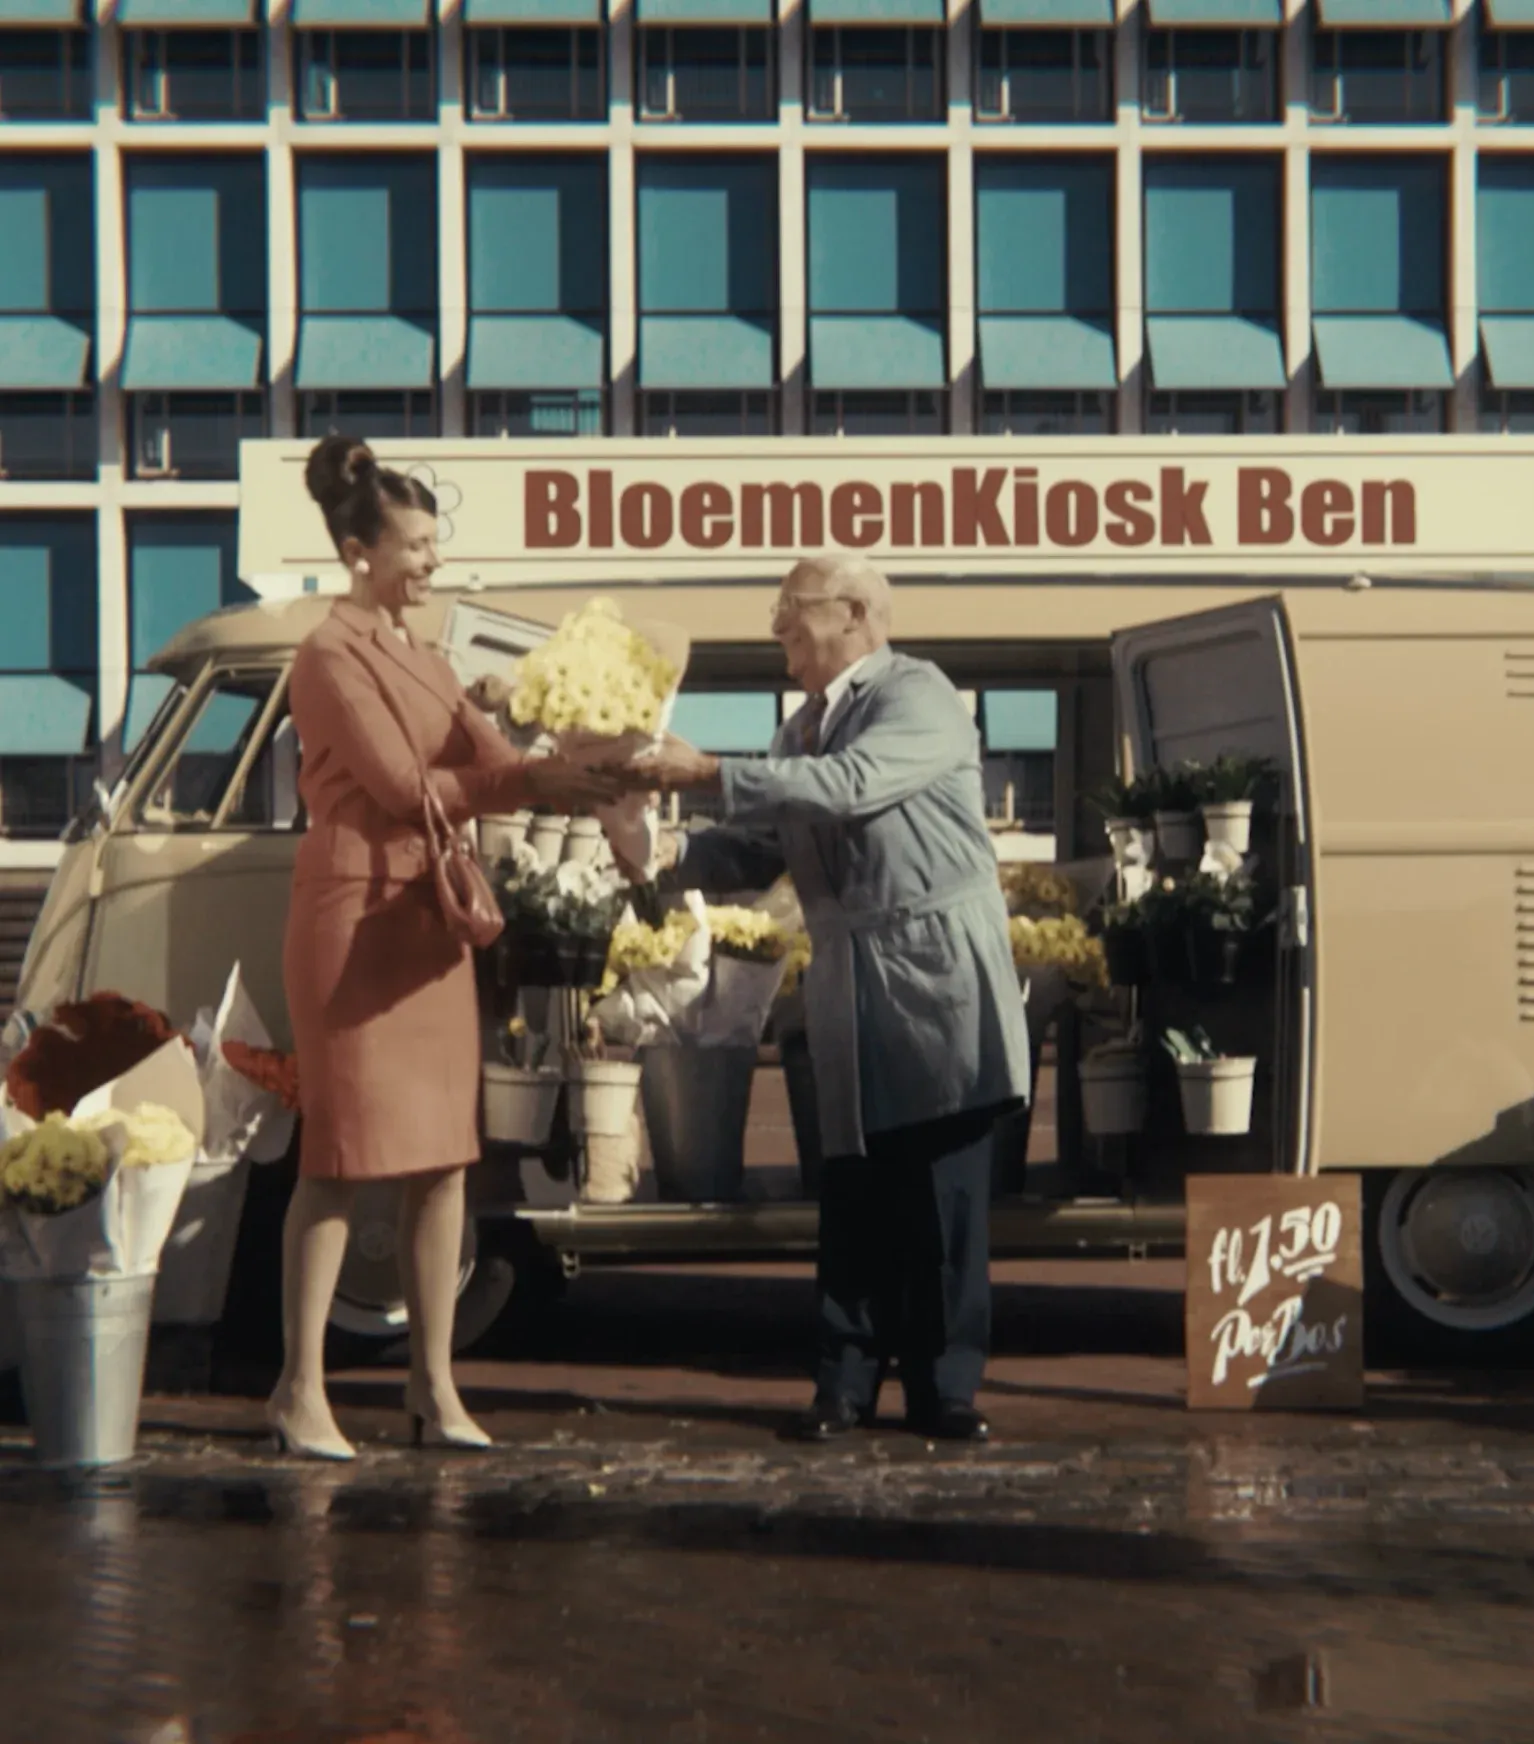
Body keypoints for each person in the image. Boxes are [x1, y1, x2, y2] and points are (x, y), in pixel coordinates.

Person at [622, 553, 1030, 1444]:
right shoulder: (797, 730)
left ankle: (945, 1389)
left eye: (788, 609)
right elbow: (758, 849)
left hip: (935, 978)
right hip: (851, 978)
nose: (775, 628)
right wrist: (659, 858)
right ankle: (842, 1386)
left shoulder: (916, 694)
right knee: (853, 1193)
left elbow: (850, 789)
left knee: (941, 1197)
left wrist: (704, 772)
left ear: (853, 613)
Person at [269, 434, 619, 1462]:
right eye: (415, 545)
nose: (431, 562)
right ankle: (299, 1389)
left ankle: (434, 1388)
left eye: (432, 543)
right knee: (339, 1159)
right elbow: (398, 789)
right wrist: (527, 783)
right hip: (354, 916)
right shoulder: (329, 655)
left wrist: (583, 757)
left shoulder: (426, 657)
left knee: (443, 1163)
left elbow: (496, 760)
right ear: (356, 550)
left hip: (425, 920)